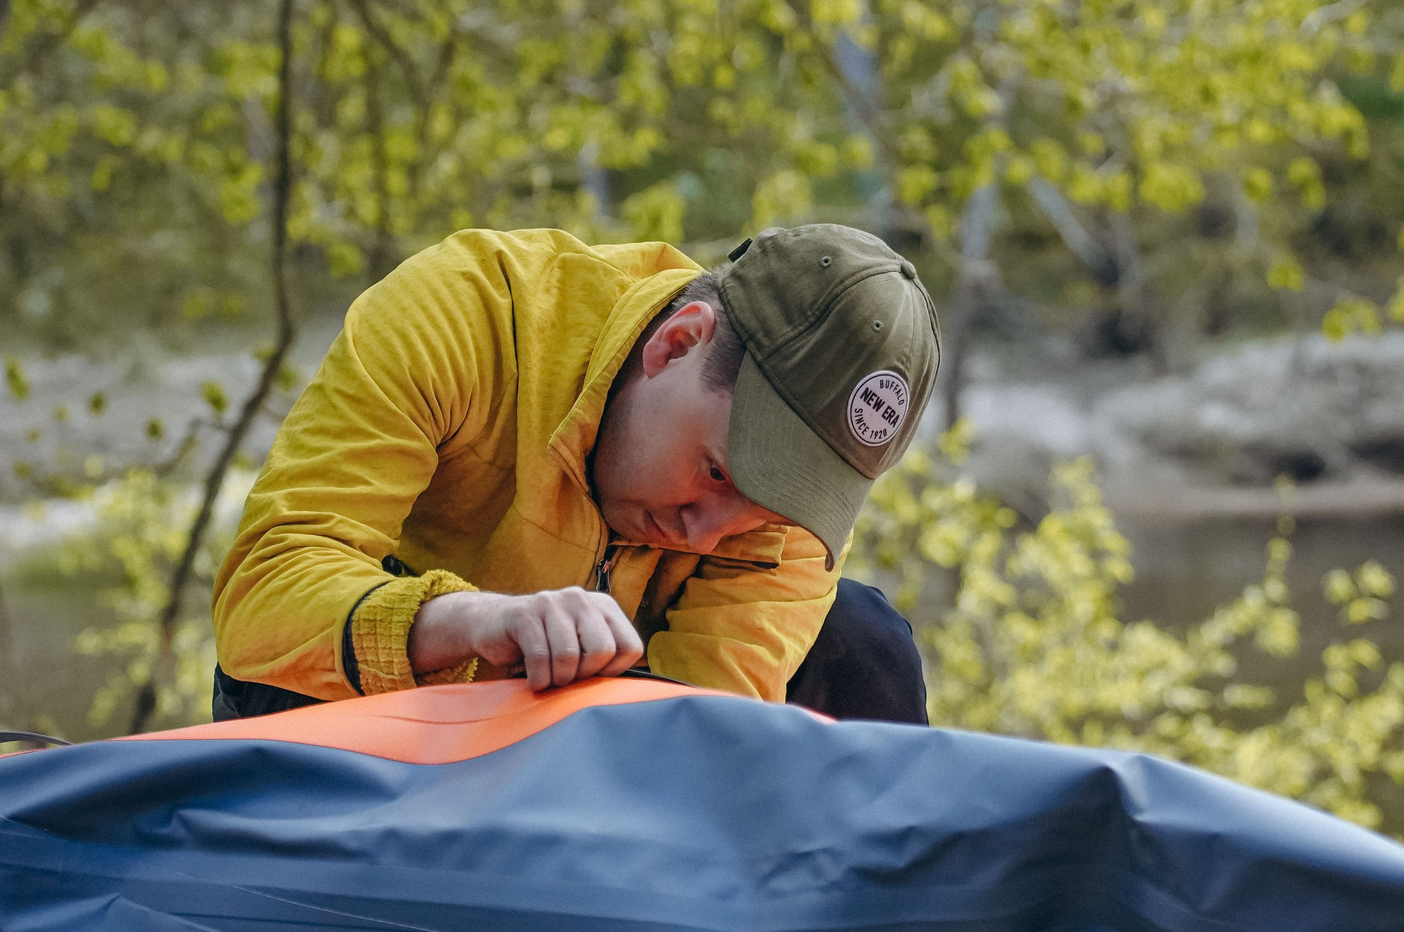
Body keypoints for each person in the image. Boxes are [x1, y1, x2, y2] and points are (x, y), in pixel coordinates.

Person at [209, 223, 941, 724]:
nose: (711, 532)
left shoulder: (794, 522)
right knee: (286, 660)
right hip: (385, 742)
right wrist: (471, 623)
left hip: (582, 780)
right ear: (677, 342)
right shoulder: (468, 313)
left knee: (861, 643)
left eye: (767, 511)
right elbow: (261, 599)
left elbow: (704, 736)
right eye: (718, 472)